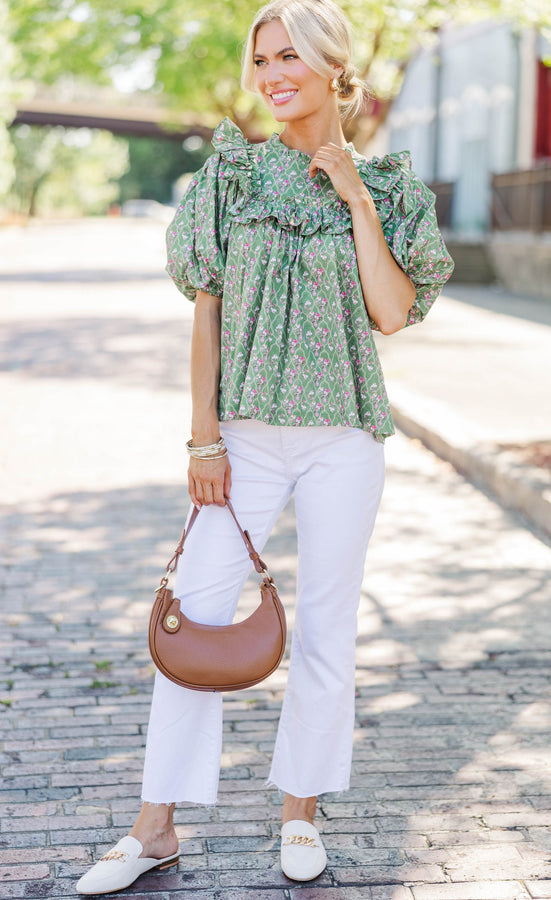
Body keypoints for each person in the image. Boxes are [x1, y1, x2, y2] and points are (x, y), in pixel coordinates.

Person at [76, 0, 454, 892]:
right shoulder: (232, 178)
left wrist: (353, 197)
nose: (272, 74)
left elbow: (391, 312)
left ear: (333, 68)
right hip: (243, 438)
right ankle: (154, 828)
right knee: (195, 614)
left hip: (342, 442)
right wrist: (203, 438)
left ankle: (299, 816)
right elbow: (206, 310)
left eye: (290, 56)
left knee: (326, 627)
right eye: (263, 59)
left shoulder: (388, 189)